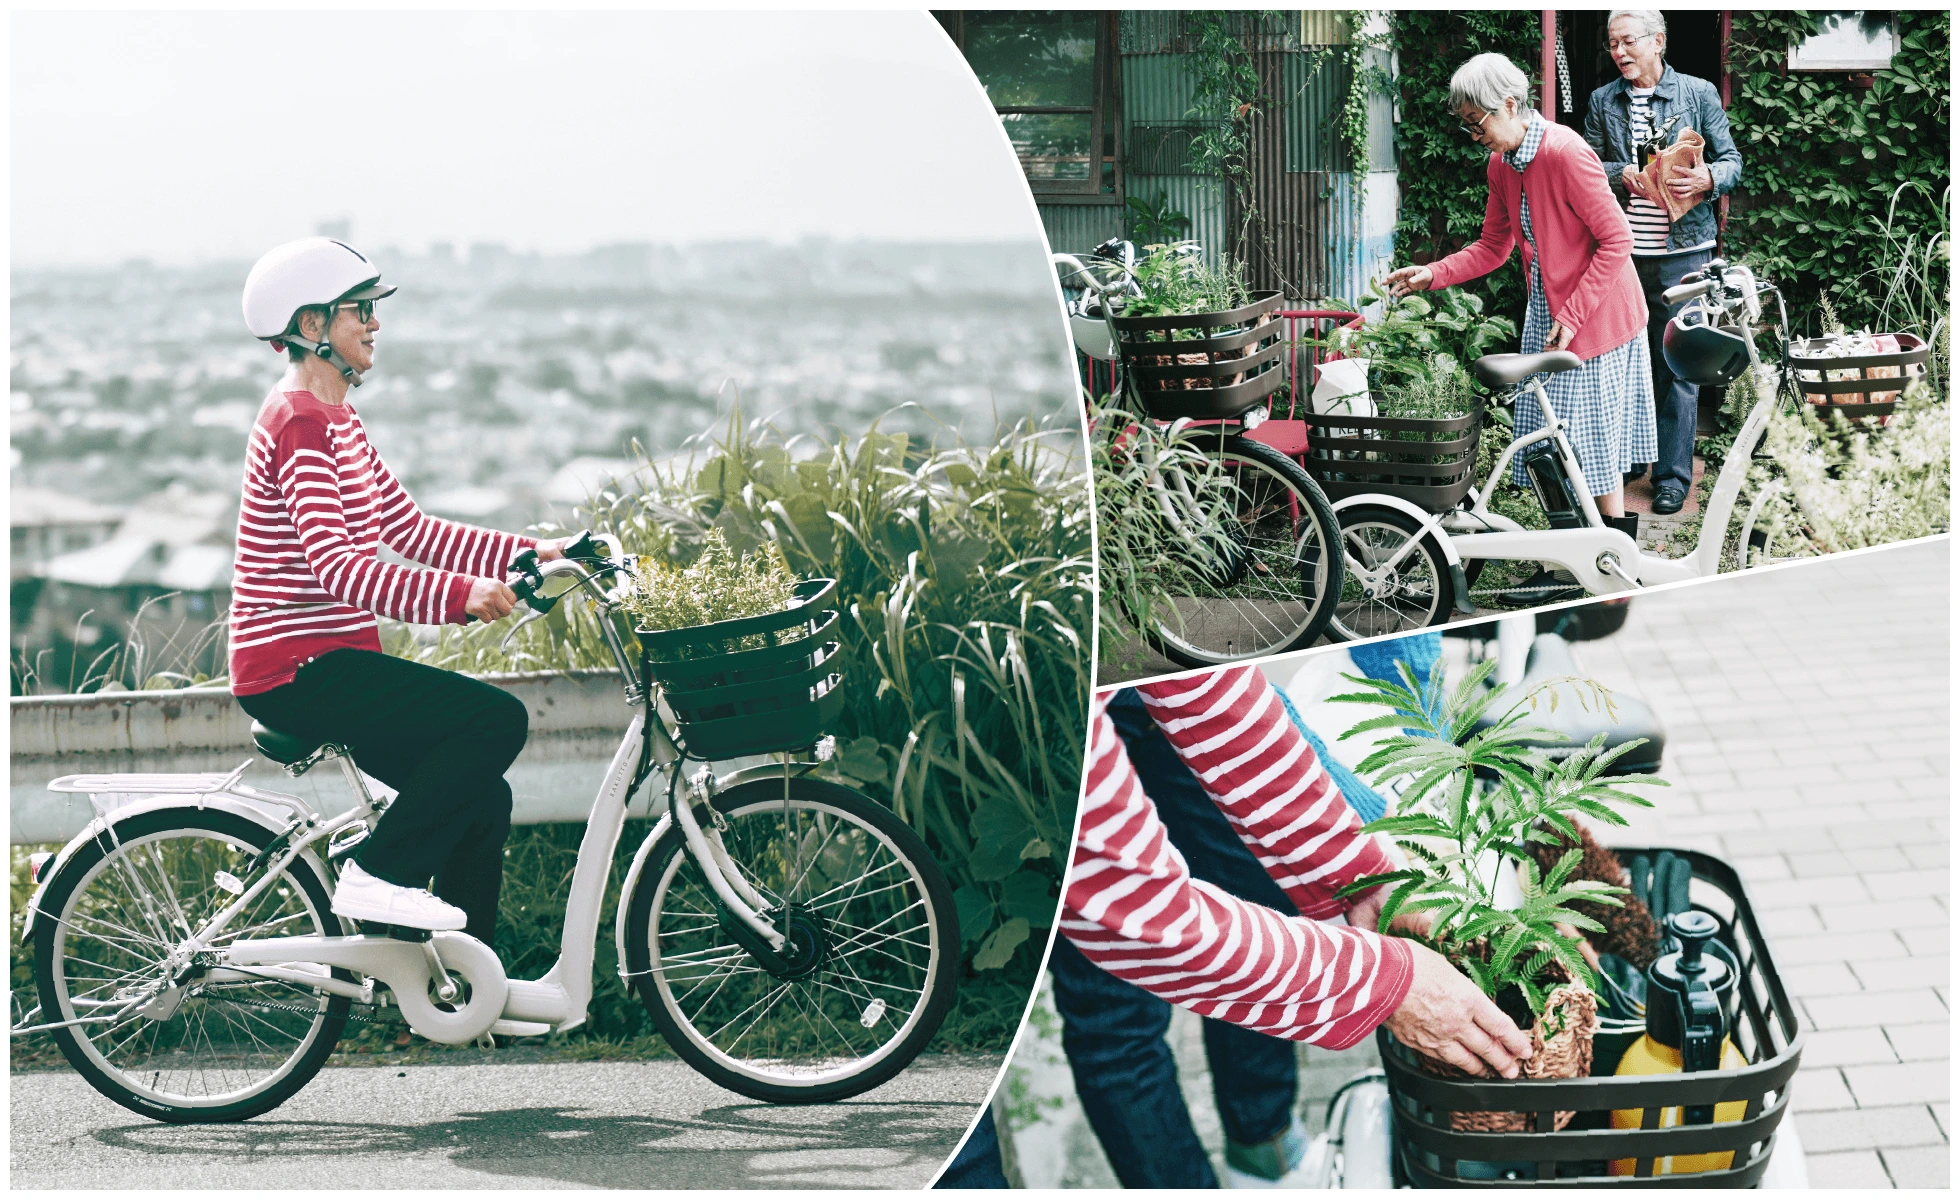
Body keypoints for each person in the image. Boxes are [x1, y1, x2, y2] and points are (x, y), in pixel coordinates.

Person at [1063, 666, 1533, 1183]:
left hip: (1120, 695)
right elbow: (1147, 922)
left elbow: (1205, 691)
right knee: (1112, 1015)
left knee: (1254, 887)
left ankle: (1262, 1153)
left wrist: (1364, 876)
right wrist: (1385, 982)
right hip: (1055, 737)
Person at [228, 237, 571, 944]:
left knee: (479, 795)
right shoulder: (299, 423)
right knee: (495, 723)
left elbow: (408, 529)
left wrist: (538, 550)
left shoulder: (337, 420)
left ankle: (462, 984)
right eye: (359, 311)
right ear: (312, 326)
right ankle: (376, 874)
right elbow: (340, 568)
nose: (374, 324)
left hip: (329, 658)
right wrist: (461, 598)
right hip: (295, 666)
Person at [1384, 53, 1654, 538]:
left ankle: (1611, 560)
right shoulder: (1503, 164)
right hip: (1550, 314)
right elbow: (1493, 245)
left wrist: (1571, 315)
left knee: (1592, 448)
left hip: (1597, 316)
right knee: (1550, 444)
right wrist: (1434, 273)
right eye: (1466, 125)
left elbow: (1618, 239)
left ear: (1509, 105)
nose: (1474, 135)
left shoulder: (1564, 152)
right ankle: (1567, 553)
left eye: (1477, 122)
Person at [1585, 10, 1745, 515]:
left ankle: (1673, 476)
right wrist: (1621, 173)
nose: (1620, 52)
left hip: (1685, 252)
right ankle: (1632, 459)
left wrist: (1707, 180)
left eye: (1628, 42)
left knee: (1679, 362)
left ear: (1658, 42)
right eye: (1613, 44)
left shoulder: (1697, 94)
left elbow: (1732, 161)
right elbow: (1586, 165)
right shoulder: (1600, 101)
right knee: (1627, 359)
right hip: (1624, 255)